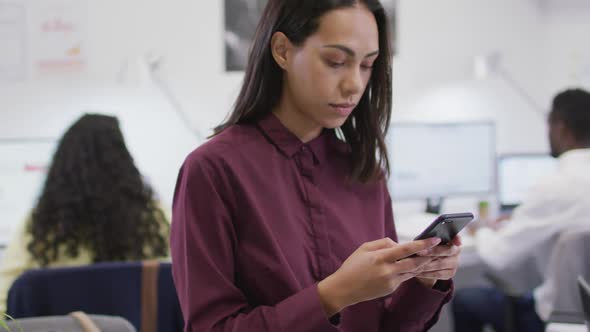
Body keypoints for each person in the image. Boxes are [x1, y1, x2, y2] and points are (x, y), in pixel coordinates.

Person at [170, 1, 462, 331]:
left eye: (367, 65)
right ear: (281, 51)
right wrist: (334, 295)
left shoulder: (365, 172)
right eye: (335, 61)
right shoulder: (212, 171)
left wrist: (426, 280)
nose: (354, 85)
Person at [0, 113, 170, 314]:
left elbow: (5, 300)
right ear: (122, 157)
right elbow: (178, 290)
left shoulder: (40, 225)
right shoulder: (155, 219)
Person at [453, 88, 590, 332]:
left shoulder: (556, 185)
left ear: (560, 127)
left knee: (466, 300)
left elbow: (499, 256)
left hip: (554, 319)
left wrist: (481, 231)